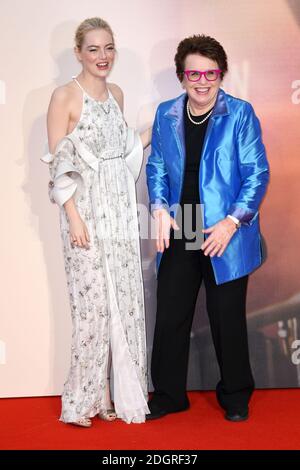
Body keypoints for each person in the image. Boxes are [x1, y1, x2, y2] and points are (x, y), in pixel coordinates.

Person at [146, 34, 269, 422]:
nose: (202, 81)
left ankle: (234, 394)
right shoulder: (166, 113)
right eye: (193, 73)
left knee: (226, 318)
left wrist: (232, 222)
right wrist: (159, 207)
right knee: (170, 316)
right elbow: (157, 167)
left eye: (210, 73)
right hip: (183, 225)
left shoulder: (241, 113)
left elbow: (256, 174)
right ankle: (168, 395)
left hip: (225, 229)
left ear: (221, 74)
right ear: (182, 76)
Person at [41, 17, 151, 427]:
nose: (102, 57)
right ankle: (80, 402)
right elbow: (59, 162)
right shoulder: (64, 97)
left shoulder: (117, 94)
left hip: (120, 211)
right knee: (92, 309)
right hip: (84, 214)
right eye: (93, 49)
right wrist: (73, 217)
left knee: (121, 301)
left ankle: (111, 396)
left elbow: (121, 156)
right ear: (78, 53)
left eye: (108, 48)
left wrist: (159, 127)